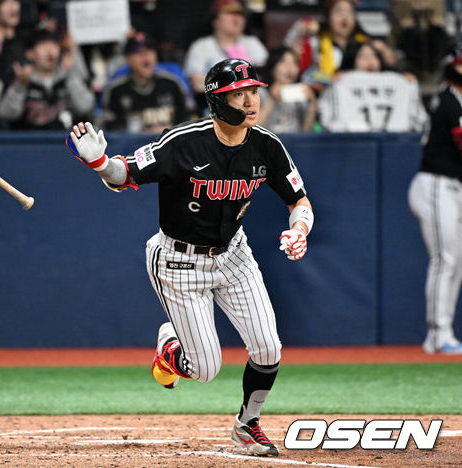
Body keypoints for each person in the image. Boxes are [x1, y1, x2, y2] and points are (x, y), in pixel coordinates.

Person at [66, 58, 313, 456]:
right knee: (205, 370)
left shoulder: (267, 145)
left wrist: (299, 229)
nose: (250, 101)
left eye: (253, 92)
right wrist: (99, 163)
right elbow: (124, 174)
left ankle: (247, 425)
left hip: (234, 255)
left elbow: (299, 200)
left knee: (269, 349)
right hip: (179, 262)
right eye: (239, 94)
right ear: (217, 100)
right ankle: (170, 347)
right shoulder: (183, 142)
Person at [408, 46, 462, 354]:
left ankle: (445, 332)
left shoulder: (455, 98)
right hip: (435, 184)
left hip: (452, 186)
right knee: (445, 259)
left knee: (456, 262)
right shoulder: (448, 100)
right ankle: (437, 334)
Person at [284, 0, 395, 91]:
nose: (345, 18)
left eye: (349, 13)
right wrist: (330, 79)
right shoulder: (314, 43)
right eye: (340, 12)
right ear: (328, 15)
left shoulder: (364, 45)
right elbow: (305, 74)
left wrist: (385, 52)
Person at [317, 41, 427, 132]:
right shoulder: (341, 81)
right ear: (352, 60)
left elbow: (419, 120)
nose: (370, 61)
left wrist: (404, 81)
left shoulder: (399, 81)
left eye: (374, 56)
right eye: (362, 56)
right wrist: (334, 81)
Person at [0, 29, 93, 130]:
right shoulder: (23, 76)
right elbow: (6, 114)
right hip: (30, 137)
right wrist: (20, 86)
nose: (50, 50)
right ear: (30, 53)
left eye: (54, 44)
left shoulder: (67, 75)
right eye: (43, 45)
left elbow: (85, 107)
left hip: (66, 137)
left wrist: (69, 73)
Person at [101, 32, 191, 133]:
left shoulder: (172, 83)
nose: (145, 56)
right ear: (128, 59)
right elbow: (110, 129)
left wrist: (168, 132)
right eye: (138, 52)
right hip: (133, 143)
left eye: (150, 50)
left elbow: (188, 118)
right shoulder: (116, 90)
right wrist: (145, 133)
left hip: (172, 141)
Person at [184, 0, 268, 108]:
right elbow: (196, 84)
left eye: (240, 14)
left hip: (257, 107)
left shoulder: (253, 43)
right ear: (215, 21)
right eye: (230, 13)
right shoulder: (201, 46)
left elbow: (267, 77)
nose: (236, 18)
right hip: (216, 108)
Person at [258, 46, 317, 133]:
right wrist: (271, 99)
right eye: (283, 62)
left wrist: (312, 102)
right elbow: (253, 129)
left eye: (294, 63)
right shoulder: (259, 93)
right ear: (272, 67)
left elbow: (306, 130)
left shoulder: (300, 94)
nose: (290, 69)